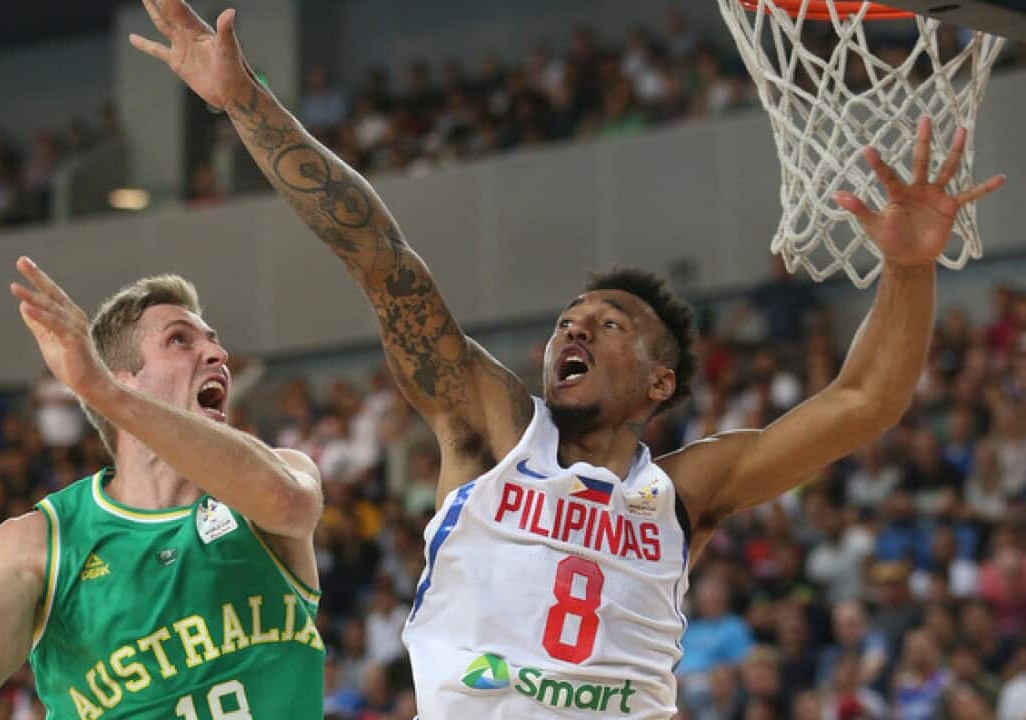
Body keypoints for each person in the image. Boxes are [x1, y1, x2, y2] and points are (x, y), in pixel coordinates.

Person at [128, 2, 1006, 716]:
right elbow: (379, 254)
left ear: (660, 383)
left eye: (608, 324)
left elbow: (864, 403)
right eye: (568, 321)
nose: (573, 331)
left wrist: (908, 267)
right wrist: (246, 102)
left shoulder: (687, 493)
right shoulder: (490, 429)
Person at [0, 257, 326, 717]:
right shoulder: (40, 540)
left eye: (213, 340)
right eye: (181, 339)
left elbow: (284, 500)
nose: (217, 354)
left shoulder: (278, 476)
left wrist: (98, 389)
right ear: (124, 377)